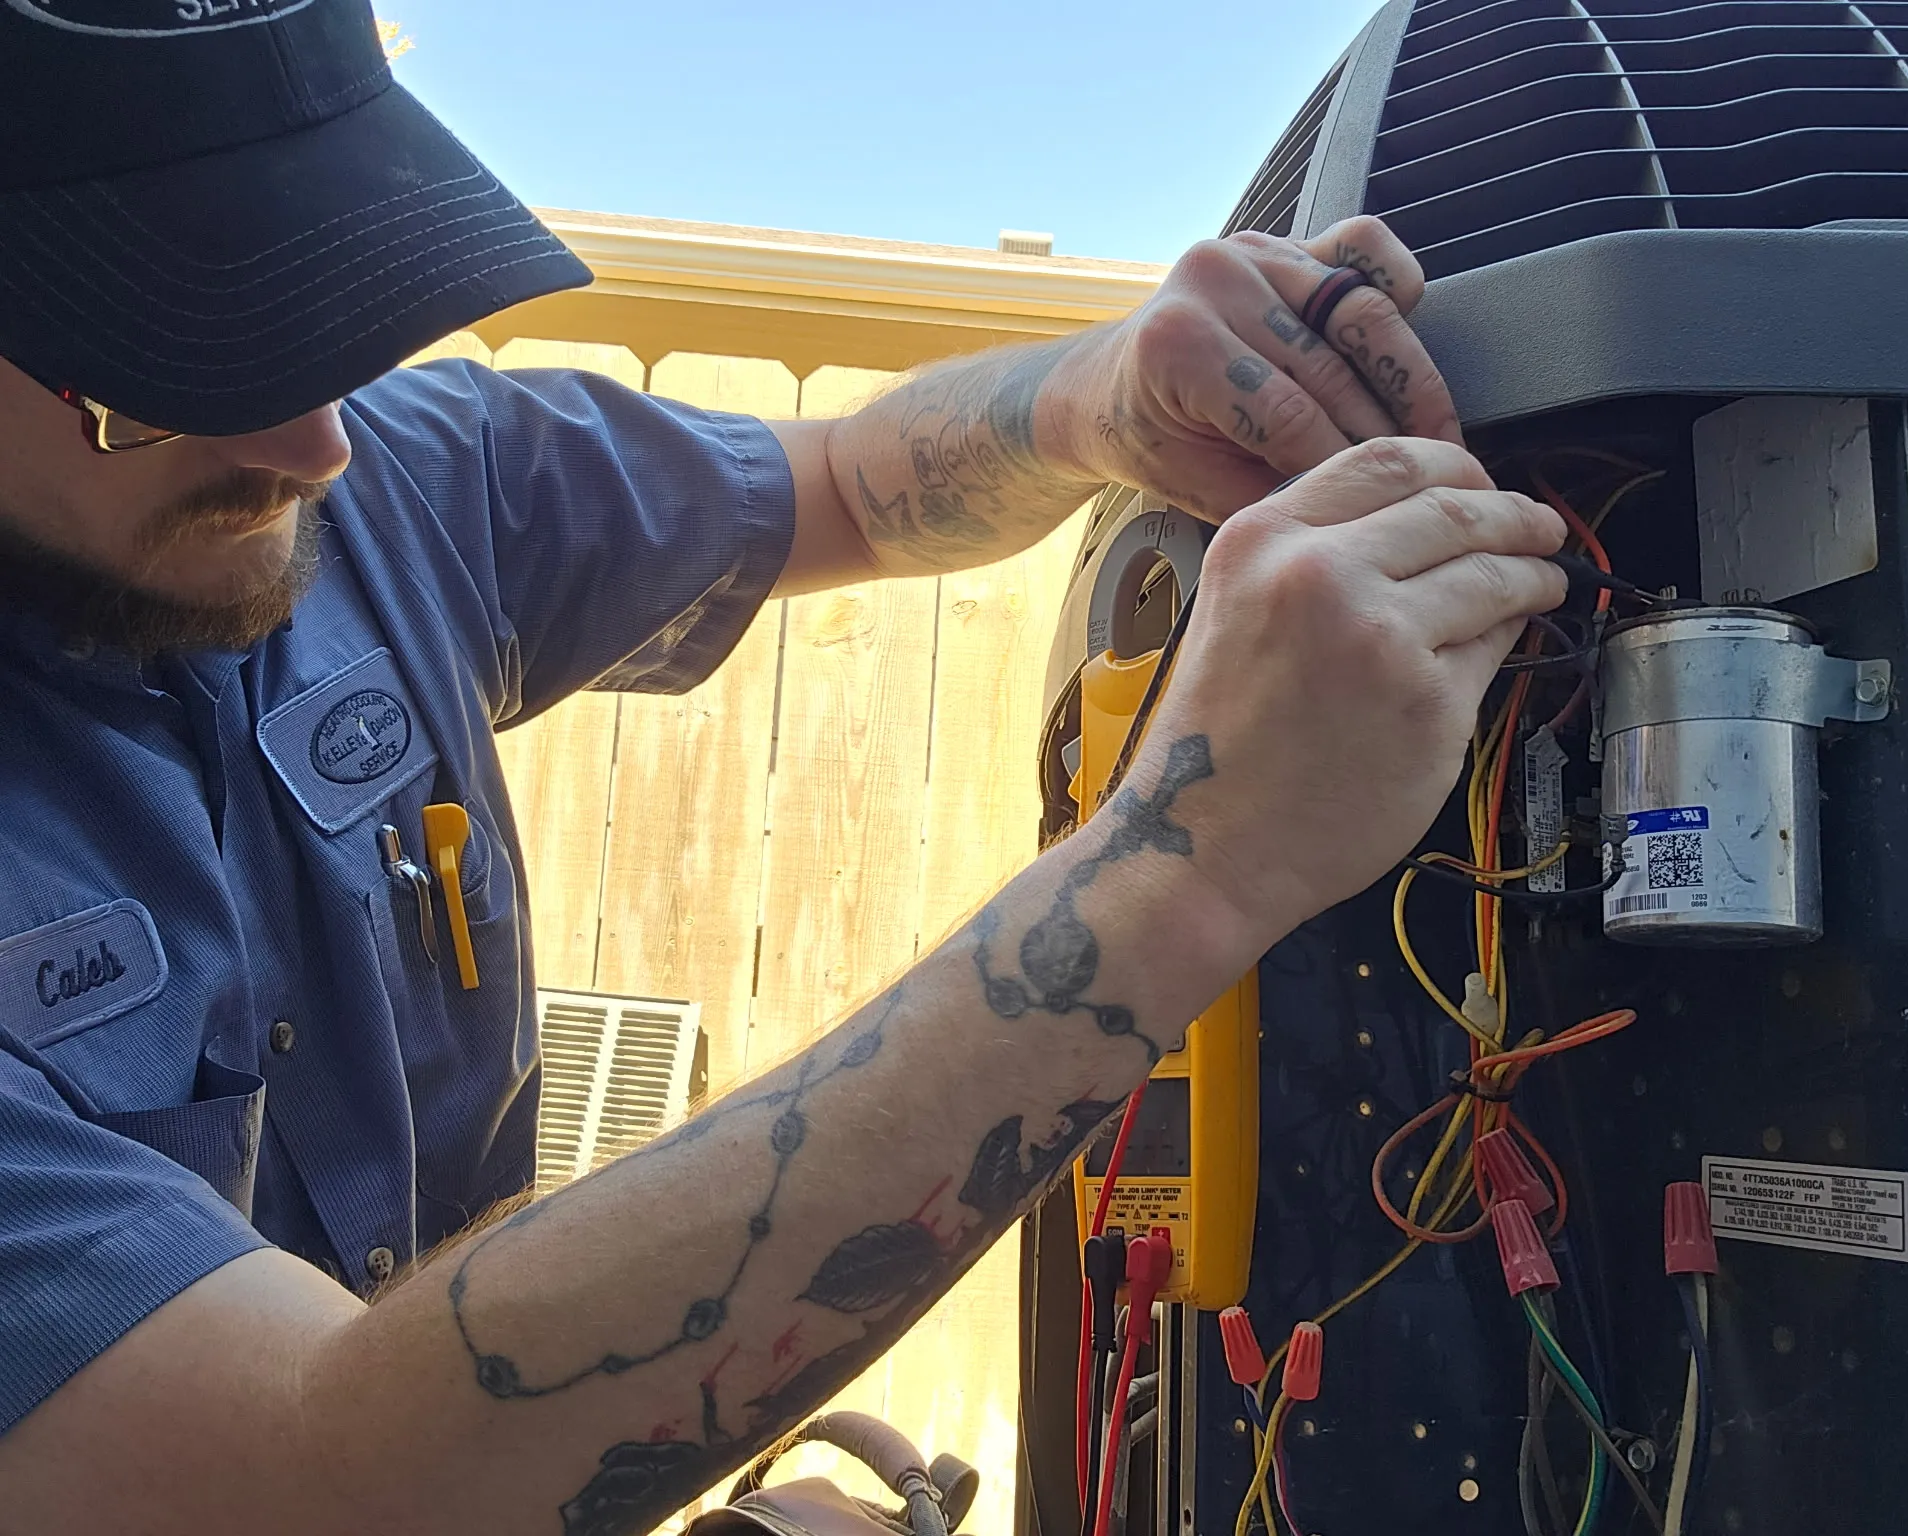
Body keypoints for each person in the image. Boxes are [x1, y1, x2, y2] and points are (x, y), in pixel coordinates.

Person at [0, 3, 1566, 1532]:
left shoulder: (389, 489)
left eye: (323, 316)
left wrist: (1100, 396)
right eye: (174, 370)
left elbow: (855, 483)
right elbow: (314, 1477)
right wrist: (1187, 865)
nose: (315, 446)